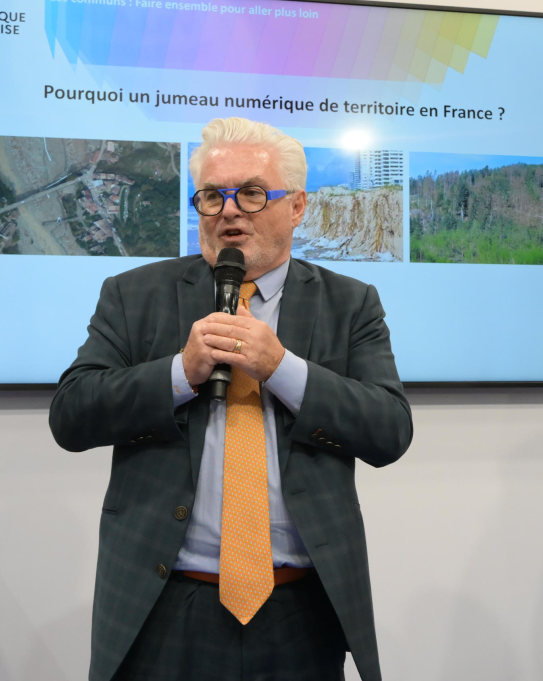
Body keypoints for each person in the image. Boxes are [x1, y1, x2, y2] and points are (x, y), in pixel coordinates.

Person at [50, 117, 413, 681]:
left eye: (249, 192)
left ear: (296, 206)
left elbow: (389, 431)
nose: (228, 211)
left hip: (300, 611)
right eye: (212, 196)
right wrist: (179, 372)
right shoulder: (133, 294)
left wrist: (282, 368)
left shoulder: (351, 304)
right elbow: (71, 417)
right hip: (164, 606)